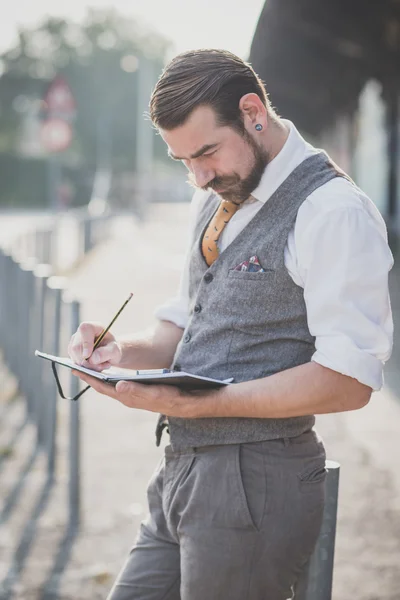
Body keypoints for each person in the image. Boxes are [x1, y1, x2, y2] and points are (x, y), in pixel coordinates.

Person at [68, 49, 393, 600]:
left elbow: (349, 381)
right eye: (182, 161)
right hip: (181, 473)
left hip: (257, 483)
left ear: (252, 112)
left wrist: (201, 405)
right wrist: (119, 351)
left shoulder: (334, 211)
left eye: (206, 152)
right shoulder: (220, 191)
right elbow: (183, 328)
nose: (198, 176)